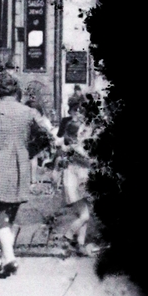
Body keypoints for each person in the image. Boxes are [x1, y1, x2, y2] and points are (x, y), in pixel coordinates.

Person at [0, 67, 50, 278]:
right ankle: (5, 261)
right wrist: (28, 152)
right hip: (19, 167)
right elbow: (45, 136)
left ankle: (10, 257)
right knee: (8, 214)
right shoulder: (28, 112)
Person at [57, 92, 94, 255]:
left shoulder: (82, 129)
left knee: (85, 213)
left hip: (80, 176)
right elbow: (82, 154)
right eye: (77, 110)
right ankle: (67, 237)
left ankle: (79, 244)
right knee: (84, 215)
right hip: (75, 177)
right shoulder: (73, 134)